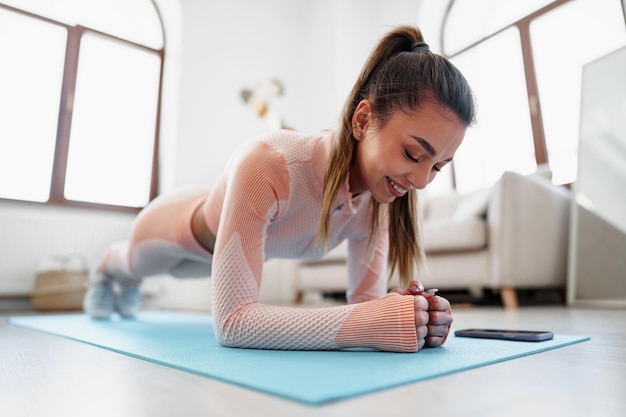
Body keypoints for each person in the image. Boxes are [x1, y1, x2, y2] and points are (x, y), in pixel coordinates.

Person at [83, 25, 476, 353]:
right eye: (412, 154)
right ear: (362, 120)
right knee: (132, 266)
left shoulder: (379, 201)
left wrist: (419, 320)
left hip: (228, 251)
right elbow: (232, 324)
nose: (422, 181)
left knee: (171, 275)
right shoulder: (268, 164)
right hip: (175, 231)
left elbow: (367, 307)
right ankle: (105, 271)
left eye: (438, 166)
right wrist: (373, 320)